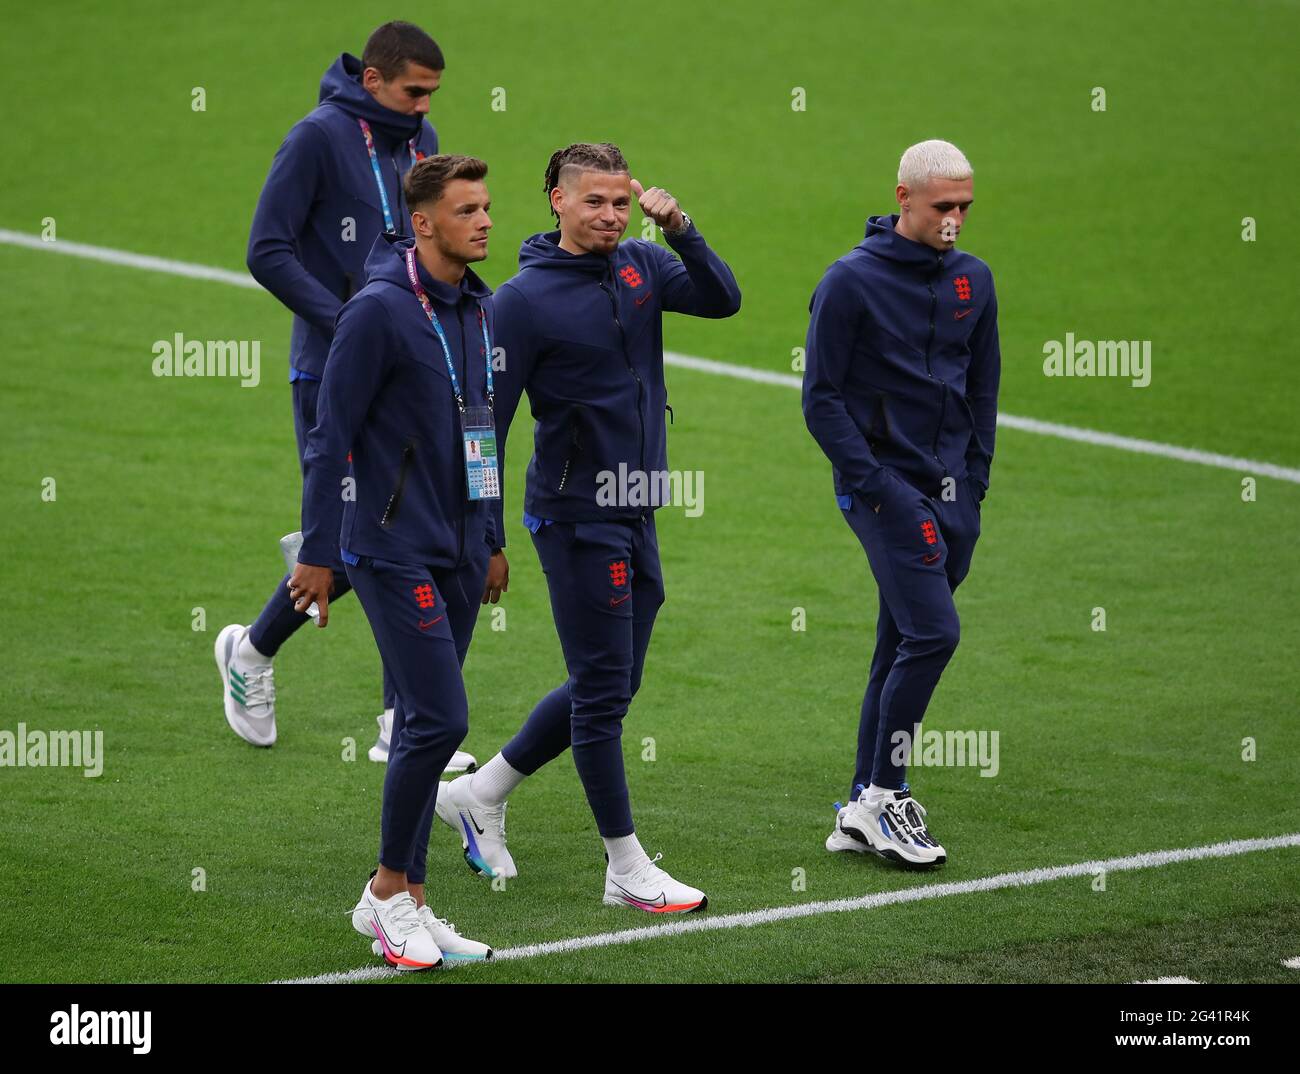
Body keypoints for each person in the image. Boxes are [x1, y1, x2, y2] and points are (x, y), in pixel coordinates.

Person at [434, 142, 741, 914]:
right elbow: (485, 427)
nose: (610, 215)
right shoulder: (523, 302)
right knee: (605, 692)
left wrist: (682, 228)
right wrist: (490, 535)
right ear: (556, 202)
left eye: (619, 201)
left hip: (637, 503)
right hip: (575, 517)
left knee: (612, 680)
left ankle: (480, 792)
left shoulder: (642, 264)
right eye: (593, 201)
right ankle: (625, 866)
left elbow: (723, 299)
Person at [214, 20, 477, 771]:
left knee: (413, 528)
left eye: (433, 93)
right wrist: (357, 320)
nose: (425, 105)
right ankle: (253, 651)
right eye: (413, 91)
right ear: (372, 79)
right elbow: (267, 249)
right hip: (335, 365)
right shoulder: (318, 138)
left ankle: (399, 716)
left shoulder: (422, 142)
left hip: (417, 372)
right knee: (366, 536)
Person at [289, 155, 505, 968]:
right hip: (387, 545)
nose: (484, 221)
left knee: (423, 720)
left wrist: (491, 535)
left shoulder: (478, 308)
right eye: (466, 210)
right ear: (423, 222)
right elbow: (329, 436)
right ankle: (383, 895)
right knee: (442, 719)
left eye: (487, 207)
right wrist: (316, 553)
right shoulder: (378, 311)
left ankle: (415, 899)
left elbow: (480, 422)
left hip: (457, 547)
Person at [802, 139, 1000, 868]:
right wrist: (876, 484)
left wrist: (975, 482)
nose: (954, 219)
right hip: (885, 490)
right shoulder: (850, 283)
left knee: (902, 640)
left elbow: (983, 387)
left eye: (965, 207)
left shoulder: (973, 281)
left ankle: (860, 805)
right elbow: (819, 399)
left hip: (954, 492)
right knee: (935, 634)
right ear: (904, 198)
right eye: (943, 206)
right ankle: (884, 797)